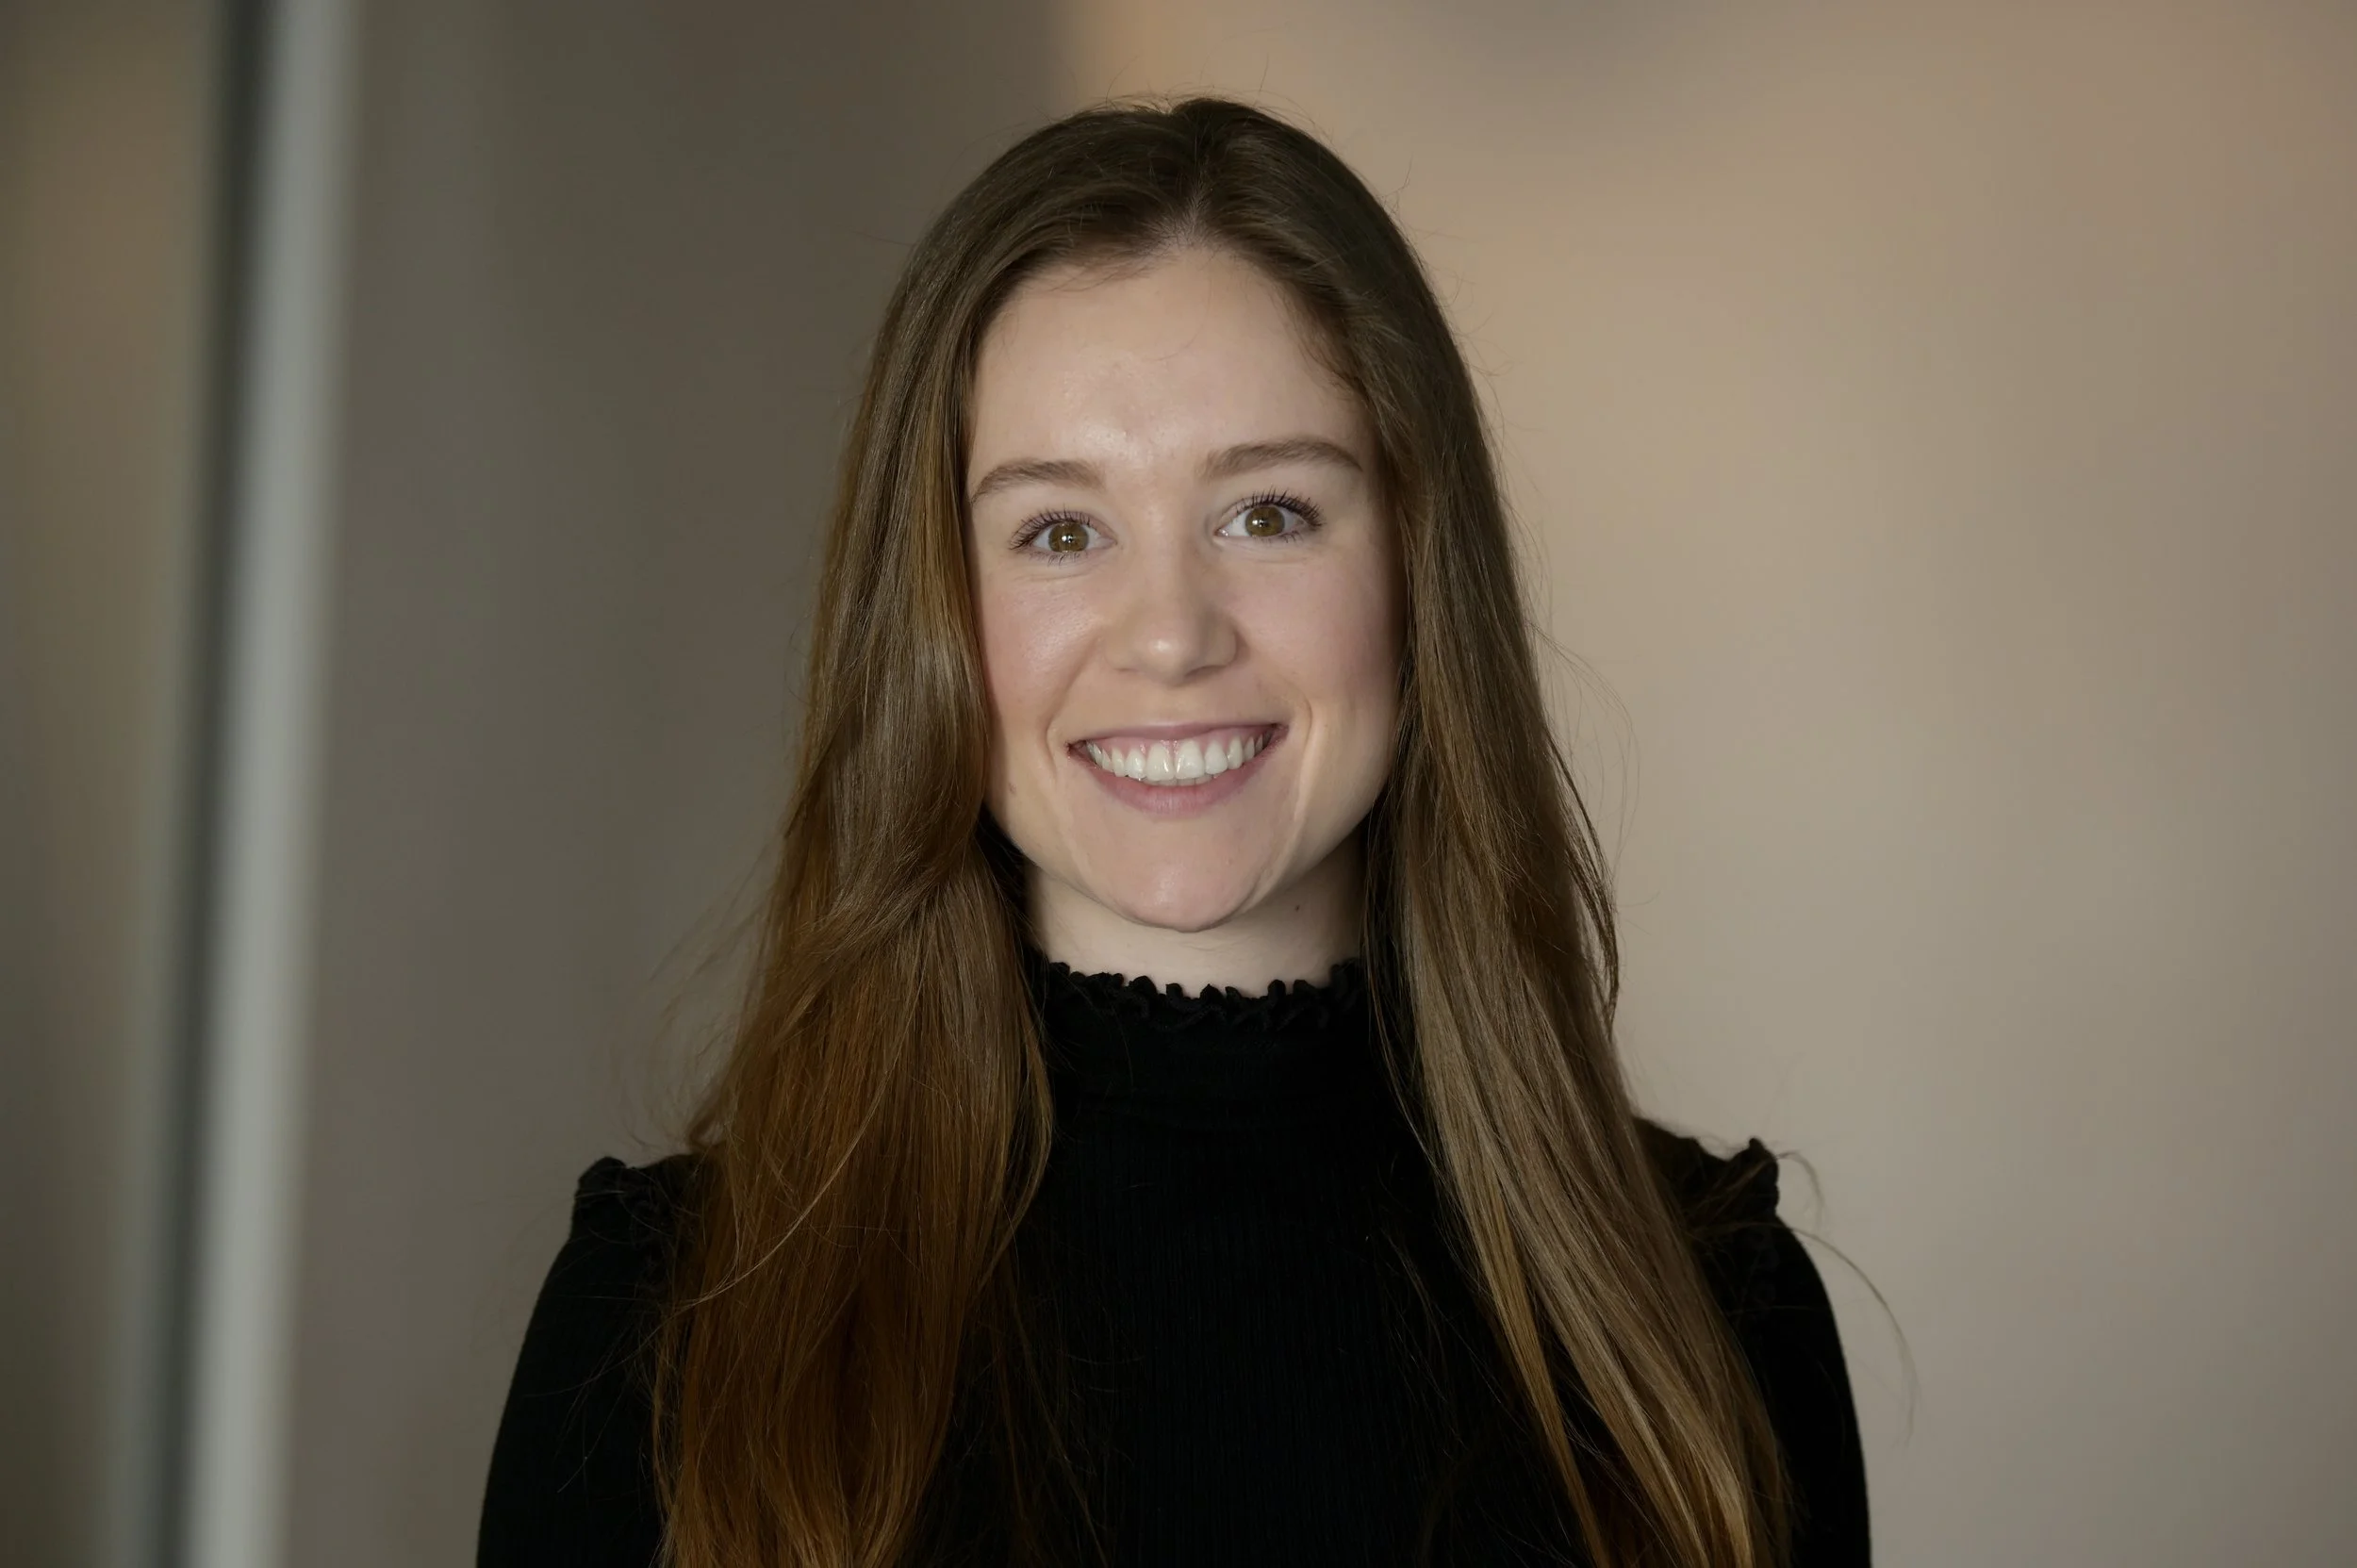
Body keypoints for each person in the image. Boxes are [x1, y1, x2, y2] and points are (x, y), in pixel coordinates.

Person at [478, 96, 1869, 1568]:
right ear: (936, 618)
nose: (1169, 635)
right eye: (1059, 531)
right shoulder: (667, 1325)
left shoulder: (1716, 1318)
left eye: (1268, 512)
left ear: (1416, 567)